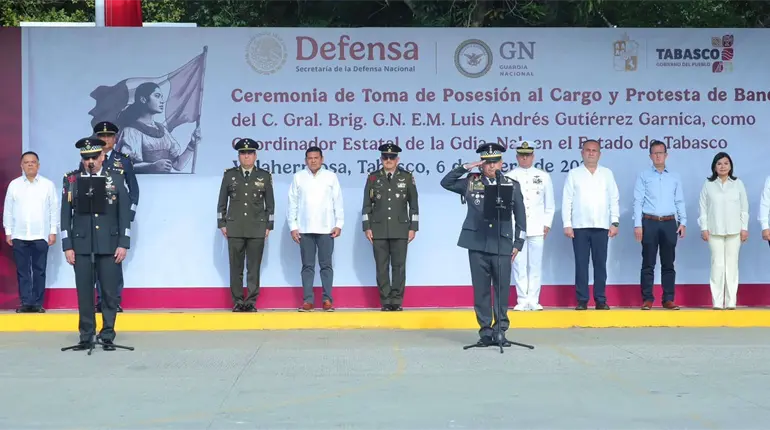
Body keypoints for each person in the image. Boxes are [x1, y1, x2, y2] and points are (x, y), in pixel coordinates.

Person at [440, 142, 526, 346]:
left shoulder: (511, 185)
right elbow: (446, 182)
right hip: (477, 243)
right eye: (487, 162)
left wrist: (518, 242)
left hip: (502, 243)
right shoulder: (471, 182)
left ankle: (500, 330)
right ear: (481, 164)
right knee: (481, 290)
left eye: (495, 162)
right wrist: (466, 167)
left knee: (502, 289)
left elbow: (521, 216)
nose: (491, 166)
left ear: (501, 163)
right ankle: (485, 332)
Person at [61, 137, 131, 351]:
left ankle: (107, 334)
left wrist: (123, 243)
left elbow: (124, 214)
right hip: (82, 244)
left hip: (109, 244)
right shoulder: (72, 180)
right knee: (84, 292)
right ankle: (86, 335)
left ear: (102, 156)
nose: (90, 161)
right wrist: (67, 245)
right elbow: (65, 215)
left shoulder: (116, 179)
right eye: (86, 158)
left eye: (94, 157)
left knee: (109, 292)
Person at [217, 138, 275, 312]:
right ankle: (237, 301)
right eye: (243, 153)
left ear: (255, 156)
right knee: (236, 267)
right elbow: (222, 202)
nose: (246, 156)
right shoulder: (229, 175)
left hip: (257, 228)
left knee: (253, 267)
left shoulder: (264, 176)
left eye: (250, 153)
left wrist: (269, 225)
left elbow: (270, 205)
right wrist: (222, 223)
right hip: (234, 227)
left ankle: (250, 302)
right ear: (239, 156)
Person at [561, 139, 620, 310]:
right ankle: (582, 300)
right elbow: (567, 200)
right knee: (581, 264)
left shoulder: (607, 173)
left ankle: (600, 299)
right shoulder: (574, 174)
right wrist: (567, 223)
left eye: (594, 150)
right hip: (579, 226)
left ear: (599, 154)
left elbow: (614, 199)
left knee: (600, 264)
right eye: (588, 150)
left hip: (602, 226)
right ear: (582, 153)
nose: (591, 153)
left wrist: (614, 222)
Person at [361, 143, 419, 311]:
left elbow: (414, 205)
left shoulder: (406, 177)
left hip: (400, 229)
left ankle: (397, 301)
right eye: (385, 157)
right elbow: (366, 205)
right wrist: (367, 227)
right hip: (378, 229)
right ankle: (385, 301)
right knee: (381, 267)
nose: (388, 160)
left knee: (399, 267)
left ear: (397, 159)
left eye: (392, 157)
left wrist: (413, 227)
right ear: (381, 159)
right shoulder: (373, 178)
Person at [287, 147, 344, 312]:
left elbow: (338, 202)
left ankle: (327, 300)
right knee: (307, 266)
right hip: (305, 229)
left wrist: (339, 224)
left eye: (316, 158)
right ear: (305, 160)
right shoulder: (298, 177)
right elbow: (292, 203)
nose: (313, 161)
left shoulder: (331, 177)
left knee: (326, 266)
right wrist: (293, 227)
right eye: (310, 158)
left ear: (322, 159)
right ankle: (308, 301)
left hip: (327, 229)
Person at [632, 140, 687, 310]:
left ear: (666, 155)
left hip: (670, 223)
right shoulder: (644, 176)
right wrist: (638, 224)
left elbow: (679, 200)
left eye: (661, 153)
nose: (658, 156)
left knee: (668, 263)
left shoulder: (674, 176)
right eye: (655, 153)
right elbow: (638, 200)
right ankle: (647, 299)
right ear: (650, 156)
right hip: (649, 222)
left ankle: (668, 299)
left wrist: (683, 221)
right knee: (648, 263)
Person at [3, 151, 59, 313]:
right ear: (21, 165)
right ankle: (26, 302)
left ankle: (37, 303)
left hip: (41, 234)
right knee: (23, 271)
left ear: (38, 165)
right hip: (19, 235)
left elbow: (54, 210)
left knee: (39, 270)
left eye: (33, 162)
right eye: (26, 162)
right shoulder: (14, 185)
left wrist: (53, 231)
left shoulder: (47, 185)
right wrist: (8, 231)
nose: (30, 165)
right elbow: (8, 210)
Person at [92, 121, 139, 313]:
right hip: (96, 218)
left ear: (115, 138)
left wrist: (129, 214)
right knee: (96, 260)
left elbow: (134, 190)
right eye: (101, 136)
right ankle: (100, 299)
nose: (105, 139)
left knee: (115, 260)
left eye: (109, 136)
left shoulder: (123, 161)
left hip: (116, 219)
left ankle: (114, 300)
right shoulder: (90, 160)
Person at [505, 141, 554, 311]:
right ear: (517, 157)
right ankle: (522, 300)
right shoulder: (509, 176)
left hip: (537, 226)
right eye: (521, 155)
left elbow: (549, 204)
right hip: (516, 228)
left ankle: (533, 299)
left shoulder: (543, 176)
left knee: (535, 265)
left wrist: (547, 224)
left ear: (533, 156)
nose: (524, 158)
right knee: (518, 265)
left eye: (527, 155)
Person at [697, 152, 749, 310]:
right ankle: (717, 302)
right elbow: (703, 208)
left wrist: (744, 228)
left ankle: (731, 301)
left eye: (726, 163)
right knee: (717, 266)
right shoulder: (708, 184)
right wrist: (704, 228)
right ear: (714, 167)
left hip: (735, 231)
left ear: (730, 166)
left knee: (732, 266)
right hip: (714, 231)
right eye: (719, 164)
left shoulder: (738, 183)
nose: (723, 166)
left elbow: (744, 208)